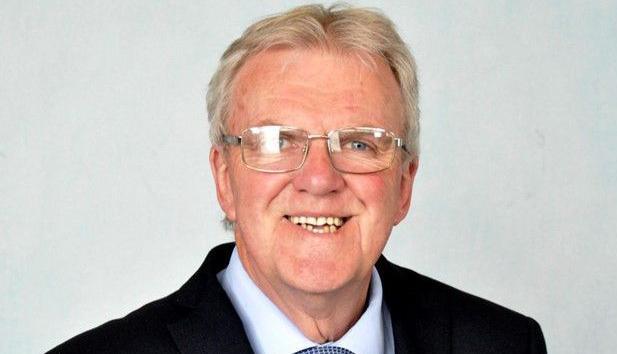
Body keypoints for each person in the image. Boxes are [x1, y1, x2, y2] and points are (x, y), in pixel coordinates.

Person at [49, 4, 546, 354]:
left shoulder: (505, 343)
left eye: (358, 143)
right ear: (224, 178)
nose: (318, 178)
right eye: (278, 141)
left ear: (404, 184)